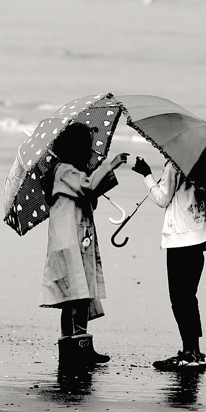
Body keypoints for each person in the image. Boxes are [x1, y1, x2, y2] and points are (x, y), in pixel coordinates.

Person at [41, 122, 129, 366]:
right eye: (87, 147)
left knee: (72, 296)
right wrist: (109, 166)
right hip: (69, 242)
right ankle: (79, 346)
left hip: (72, 240)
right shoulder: (64, 171)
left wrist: (96, 185)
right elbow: (87, 187)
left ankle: (70, 347)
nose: (90, 151)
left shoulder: (69, 172)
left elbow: (88, 195)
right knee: (78, 294)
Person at [131, 156, 206, 371]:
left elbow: (162, 198)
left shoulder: (175, 164)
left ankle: (188, 354)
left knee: (179, 299)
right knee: (189, 298)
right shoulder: (203, 165)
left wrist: (147, 175)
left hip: (180, 240)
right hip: (199, 237)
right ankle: (194, 352)